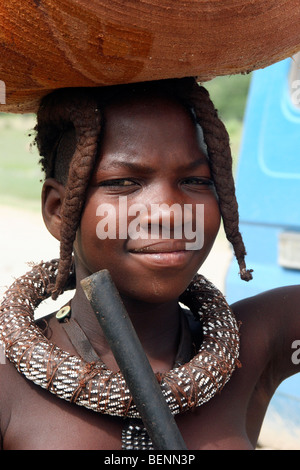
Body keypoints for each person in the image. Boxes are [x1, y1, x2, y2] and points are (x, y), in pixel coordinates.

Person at [0, 77, 299, 450]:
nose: (170, 212)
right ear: (59, 211)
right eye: (125, 182)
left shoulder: (254, 346)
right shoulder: (8, 381)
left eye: (194, 180)